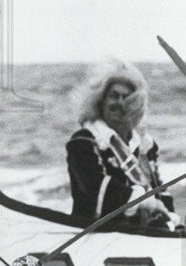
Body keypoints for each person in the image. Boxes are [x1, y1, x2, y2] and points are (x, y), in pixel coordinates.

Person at [66, 60, 179, 228]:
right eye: (113, 96)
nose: (119, 103)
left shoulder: (144, 145)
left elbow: (159, 191)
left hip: (144, 237)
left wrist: (169, 217)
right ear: (100, 101)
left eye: (126, 97)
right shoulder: (83, 141)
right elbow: (98, 190)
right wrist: (145, 203)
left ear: (136, 105)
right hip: (97, 237)